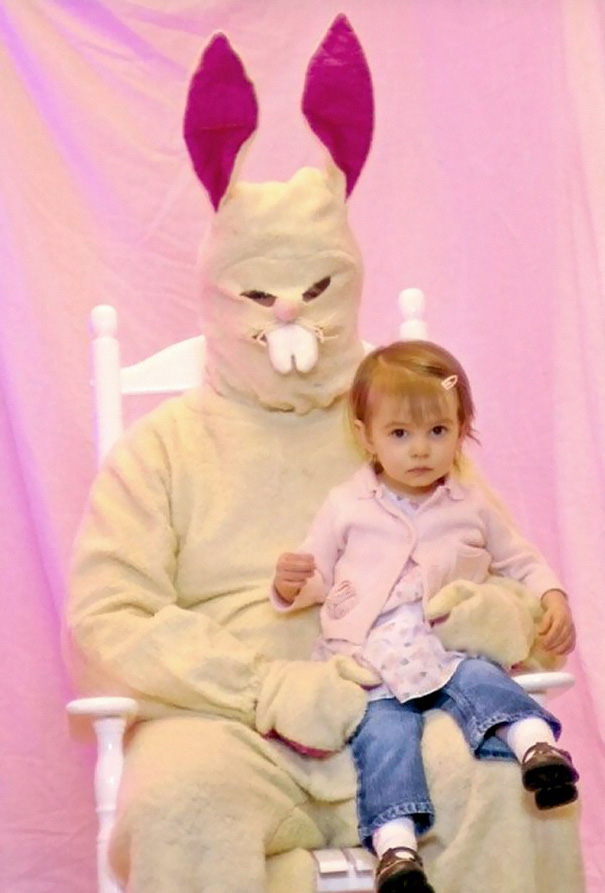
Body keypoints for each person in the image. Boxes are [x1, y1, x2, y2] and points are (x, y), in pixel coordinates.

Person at [272, 340, 578, 893]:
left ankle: (537, 749)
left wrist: (552, 595)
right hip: (371, 657)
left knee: (486, 681)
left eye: (438, 432)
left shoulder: (469, 504)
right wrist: (291, 583)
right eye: (399, 434)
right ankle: (396, 849)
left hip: (444, 645)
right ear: (366, 436)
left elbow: (520, 559)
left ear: (462, 431)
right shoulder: (347, 504)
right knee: (384, 738)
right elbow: (316, 576)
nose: (420, 450)